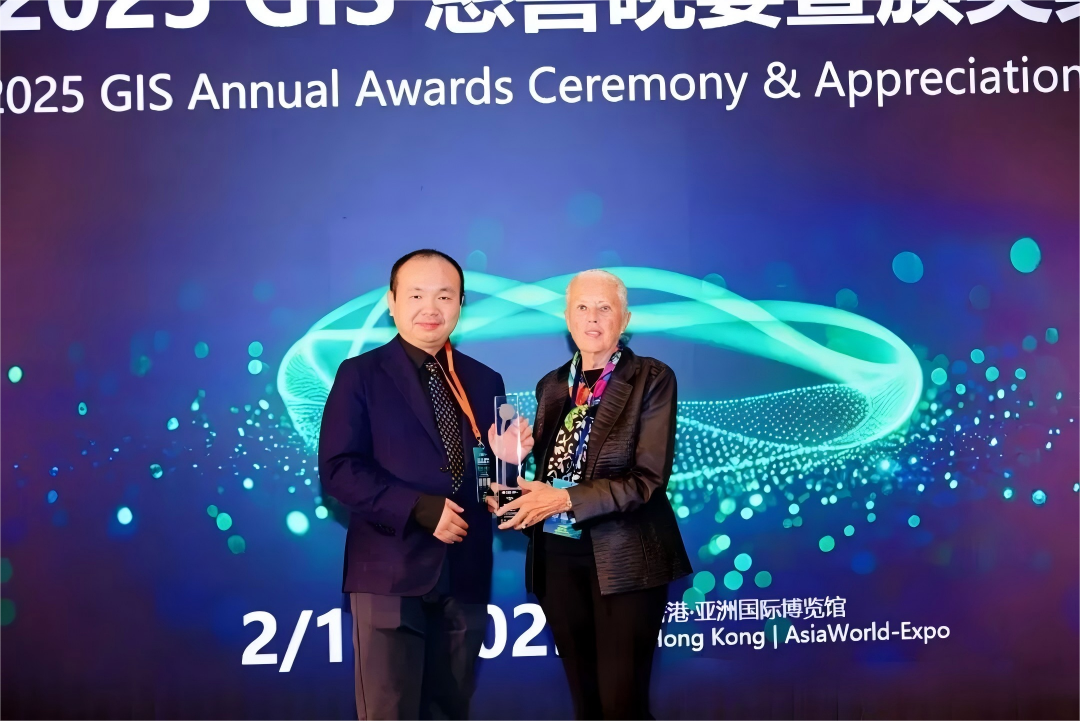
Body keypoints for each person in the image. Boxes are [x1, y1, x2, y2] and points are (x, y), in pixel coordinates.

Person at [319, 249, 520, 721]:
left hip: (465, 575)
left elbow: (489, 476)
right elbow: (339, 469)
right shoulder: (359, 374)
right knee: (389, 712)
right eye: (415, 295)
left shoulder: (485, 380)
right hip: (389, 572)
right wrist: (419, 508)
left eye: (444, 296)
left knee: (449, 710)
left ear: (461, 304)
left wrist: (507, 472)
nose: (431, 308)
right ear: (392, 302)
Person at [491, 269, 692, 721]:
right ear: (567, 318)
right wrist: (509, 467)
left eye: (604, 307)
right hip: (559, 560)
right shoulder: (551, 385)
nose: (593, 317)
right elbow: (547, 479)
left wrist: (565, 500)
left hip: (625, 560)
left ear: (625, 319)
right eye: (582, 307)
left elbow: (646, 480)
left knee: (622, 705)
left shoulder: (652, 377)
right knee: (586, 705)